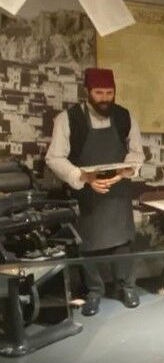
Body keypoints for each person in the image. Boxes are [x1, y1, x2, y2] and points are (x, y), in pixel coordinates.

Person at [46, 67, 143, 315]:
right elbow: (54, 158)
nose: (104, 98)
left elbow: (136, 153)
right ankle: (93, 291)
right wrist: (84, 178)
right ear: (87, 91)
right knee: (87, 243)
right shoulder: (67, 119)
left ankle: (127, 287)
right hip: (86, 193)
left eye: (109, 93)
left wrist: (124, 172)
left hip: (118, 192)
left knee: (123, 240)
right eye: (99, 93)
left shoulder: (125, 117)